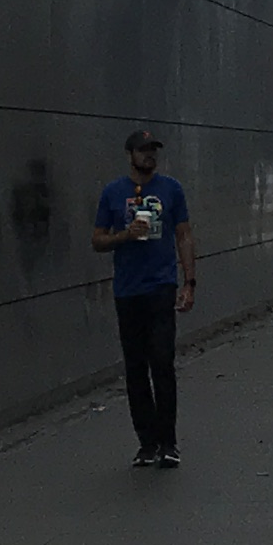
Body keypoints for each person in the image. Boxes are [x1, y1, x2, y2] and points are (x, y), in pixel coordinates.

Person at [89, 127, 195, 470]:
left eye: (154, 150)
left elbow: (184, 235)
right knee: (136, 368)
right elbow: (97, 240)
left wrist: (189, 281)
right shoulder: (113, 193)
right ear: (130, 154)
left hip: (161, 286)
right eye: (143, 150)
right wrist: (125, 235)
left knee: (162, 363)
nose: (150, 155)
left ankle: (169, 441)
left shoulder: (171, 189)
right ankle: (146, 443)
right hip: (128, 290)